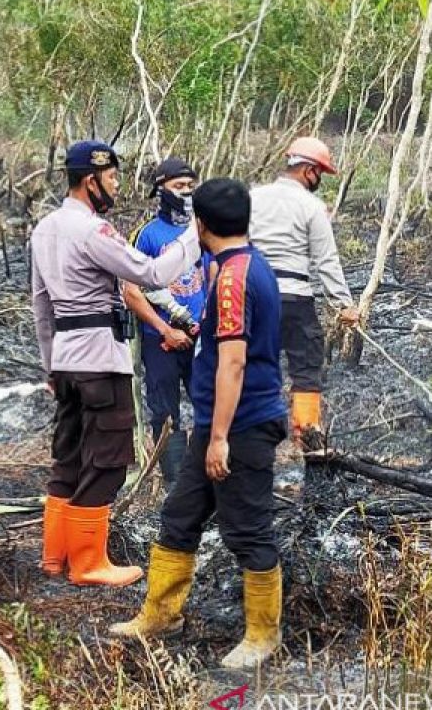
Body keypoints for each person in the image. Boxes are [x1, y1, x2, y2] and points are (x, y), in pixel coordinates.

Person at [110, 178, 289, 671]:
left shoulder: (234, 278)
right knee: (180, 516)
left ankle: (262, 634)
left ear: (200, 224)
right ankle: (160, 615)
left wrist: (219, 439)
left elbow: (233, 362)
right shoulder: (240, 264)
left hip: (240, 428)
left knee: (248, 529)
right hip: (217, 423)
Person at [31, 140, 201, 588]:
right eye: (111, 178)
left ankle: (56, 556)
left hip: (66, 360)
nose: (117, 186)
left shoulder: (43, 229)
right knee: (106, 459)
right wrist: (195, 236)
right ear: (91, 180)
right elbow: (150, 274)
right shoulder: (94, 231)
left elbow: (40, 305)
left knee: (68, 457)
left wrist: (51, 365)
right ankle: (88, 562)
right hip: (100, 360)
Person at [248, 136, 358, 445]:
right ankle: (306, 437)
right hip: (295, 296)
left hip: (254, 296)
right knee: (306, 368)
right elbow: (326, 260)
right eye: (319, 173)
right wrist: (343, 305)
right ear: (308, 170)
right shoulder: (312, 206)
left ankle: (253, 438)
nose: (319, 180)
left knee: (253, 364)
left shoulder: (252, 197)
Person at [122, 157, 205, 483]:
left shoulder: (203, 230)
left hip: (201, 332)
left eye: (190, 186)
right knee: (165, 411)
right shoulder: (145, 236)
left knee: (209, 402)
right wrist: (166, 329)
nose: (185, 192)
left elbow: (213, 274)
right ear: (161, 189)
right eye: (178, 186)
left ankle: (205, 475)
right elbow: (131, 291)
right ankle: (175, 483)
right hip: (160, 338)